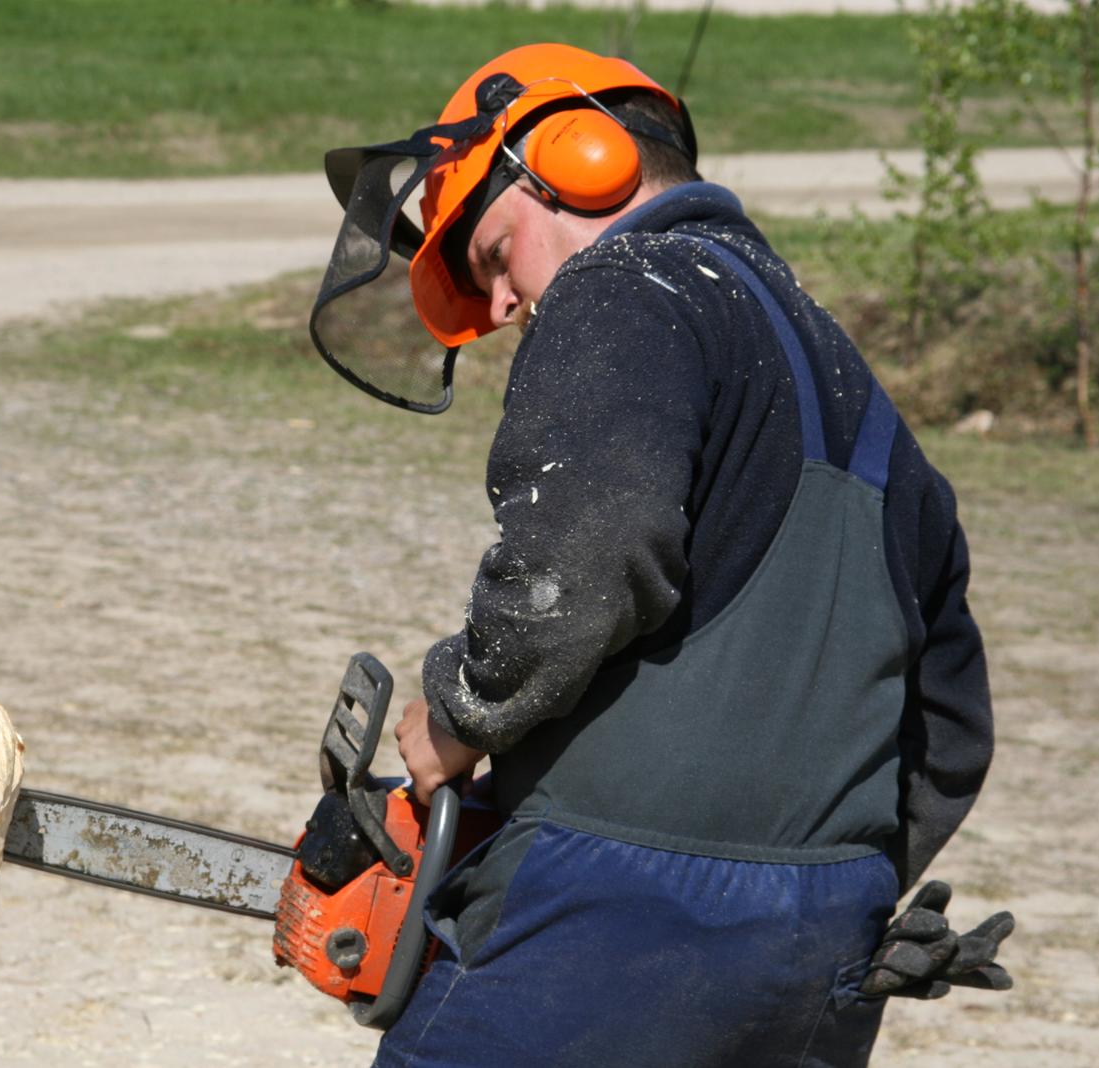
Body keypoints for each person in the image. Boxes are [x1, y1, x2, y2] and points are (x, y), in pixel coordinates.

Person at [307, 43, 1007, 1067]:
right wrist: (845, 880)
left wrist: (459, 715)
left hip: (609, 908)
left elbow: (582, 560)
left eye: (492, 256)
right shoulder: (848, 383)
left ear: (573, 159)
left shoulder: (622, 286)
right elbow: (950, 710)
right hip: (826, 939)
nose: (500, 306)